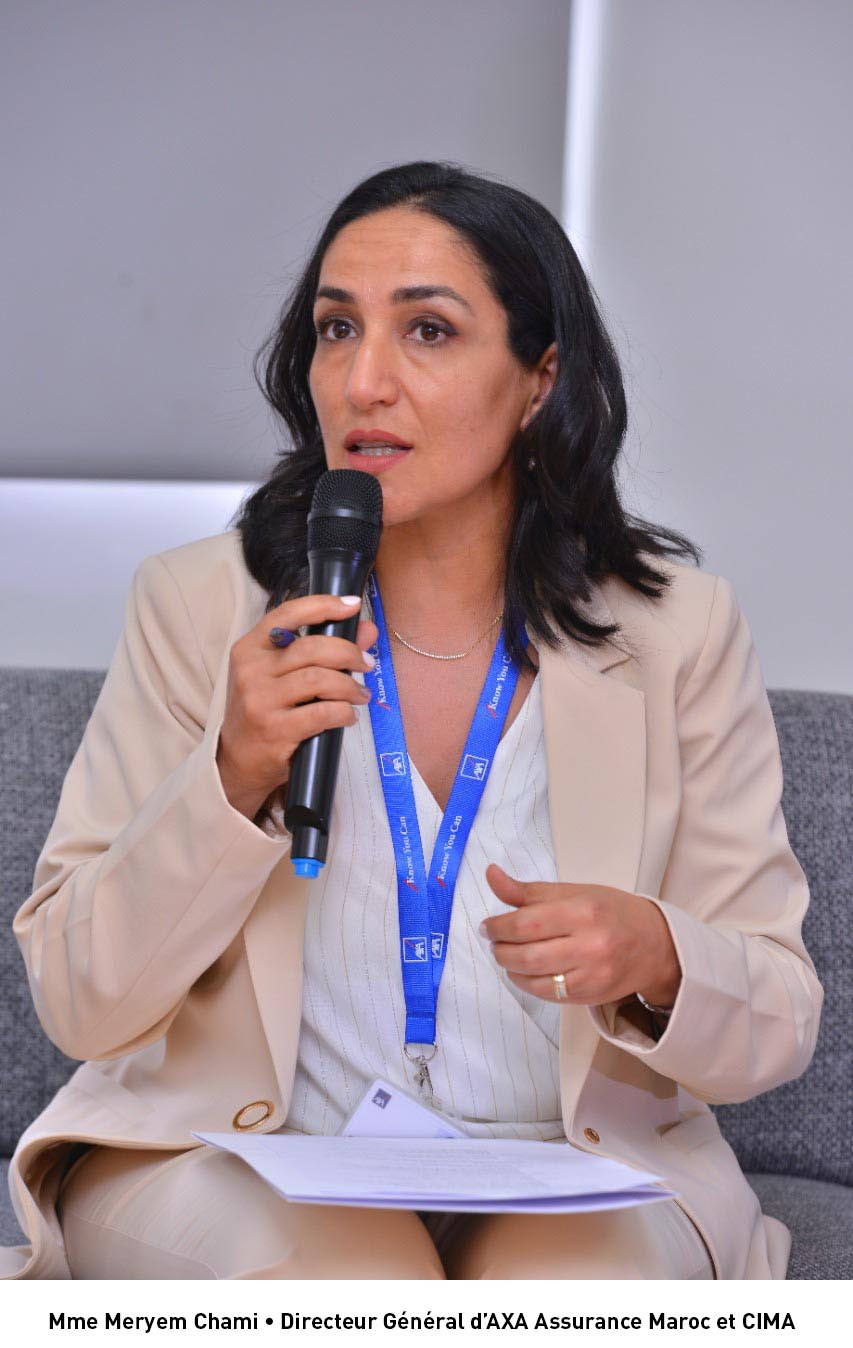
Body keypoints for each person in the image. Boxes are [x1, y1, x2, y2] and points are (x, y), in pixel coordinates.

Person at [3, 161, 822, 1281]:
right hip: (239, 1153)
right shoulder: (198, 607)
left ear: (539, 380)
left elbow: (779, 1013)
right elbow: (78, 1000)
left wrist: (660, 956)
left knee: (565, 1308)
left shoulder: (677, 632)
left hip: (572, 1165)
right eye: (336, 330)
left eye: (427, 331)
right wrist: (230, 777)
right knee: (362, 1293)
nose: (363, 381)